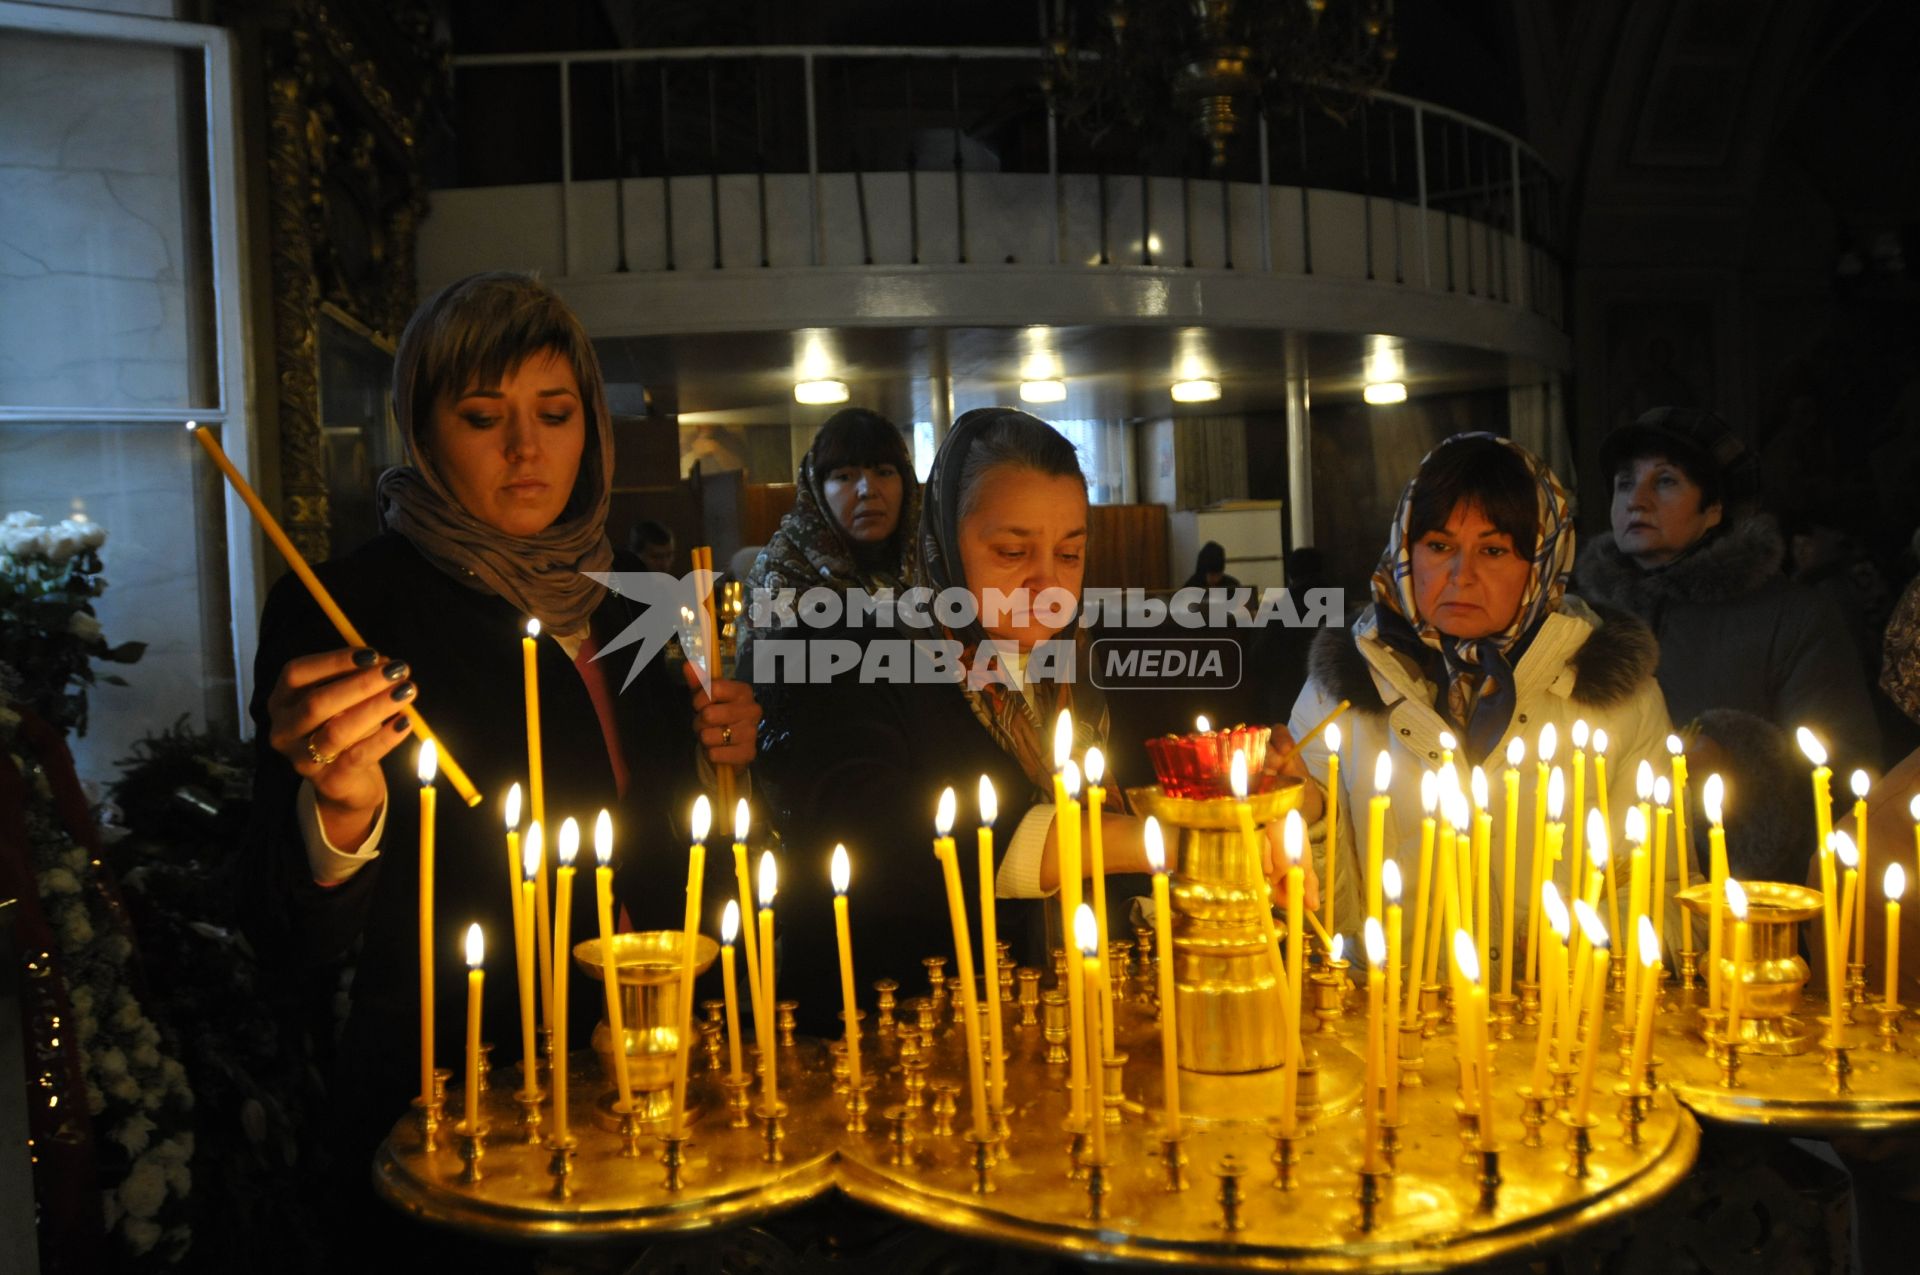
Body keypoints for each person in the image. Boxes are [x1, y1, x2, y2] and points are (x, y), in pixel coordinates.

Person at [241, 272, 760, 1259]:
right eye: (485, 416)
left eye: (555, 413)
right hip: (456, 1110)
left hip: (648, 1092)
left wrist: (727, 760)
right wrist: (341, 811)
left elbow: (684, 850)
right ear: (426, 435)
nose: (527, 448)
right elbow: (280, 923)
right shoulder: (347, 610)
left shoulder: (641, 603)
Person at [755, 408, 1312, 1025]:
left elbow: (1184, 769)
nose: (1047, 584)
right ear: (941, 539)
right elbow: (883, 839)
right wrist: (1172, 845)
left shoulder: (1095, 665)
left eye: (1070, 555)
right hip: (896, 1037)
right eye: (1013, 551)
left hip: (1076, 1034)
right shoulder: (849, 651)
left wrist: (1271, 799)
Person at [1284, 434, 1672, 962]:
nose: (1460, 576)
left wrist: (1576, 943)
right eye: (1440, 546)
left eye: (1493, 551)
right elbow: (1325, 922)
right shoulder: (1341, 693)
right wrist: (1309, 816)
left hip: (1562, 1029)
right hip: (1394, 1029)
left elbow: (1671, 900)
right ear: (1405, 549)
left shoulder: (1617, 698)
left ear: (1541, 563)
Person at [1576, 407, 1882, 771]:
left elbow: (1842, 766)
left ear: (1715, 509)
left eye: (1665, 481)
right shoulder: (1582, 614)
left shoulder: (1793, 619)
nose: (1636, 500)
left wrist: (1732, 766)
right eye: (1625, 482)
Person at [738, 407, 917, 675]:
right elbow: (762, 687)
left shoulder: (931, 561)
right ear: (817, 490)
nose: (867, 490)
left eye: (884, 472)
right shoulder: (783, 572)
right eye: (844, 476)